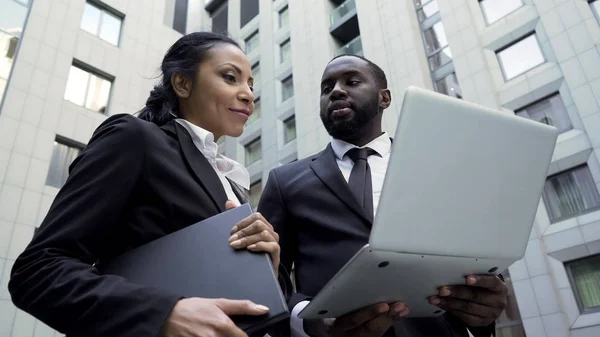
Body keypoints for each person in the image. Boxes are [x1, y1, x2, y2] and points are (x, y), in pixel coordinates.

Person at [9, 32, 283, 337]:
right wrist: (165, 314)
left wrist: (264, 267)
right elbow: (37, 272)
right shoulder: (134, 138)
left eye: (250, 85)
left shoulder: (234, 182)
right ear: (182, 83)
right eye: (230, 77)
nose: (247, 94)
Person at [259, 54, 508, 337]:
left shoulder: (436, 167)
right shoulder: (285, 181)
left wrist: (482, 309)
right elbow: (266, 276)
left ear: (384, 98)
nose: (337, 91)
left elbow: (471, 253)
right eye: (327, 89)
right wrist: (308, 320)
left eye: (352, 82)